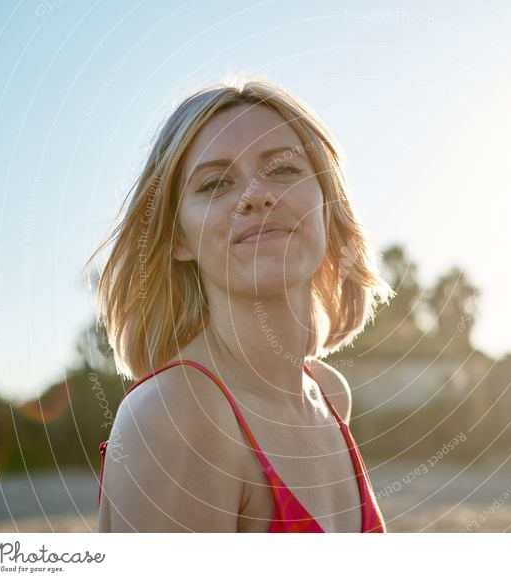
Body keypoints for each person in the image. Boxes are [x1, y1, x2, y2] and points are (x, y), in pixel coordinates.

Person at [85, 74, 394, 532]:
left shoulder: (329, 395)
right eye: (214, 185)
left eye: (283, 169)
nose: (255, 196)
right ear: (177, 239)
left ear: (327, 203)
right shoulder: (175, 419)